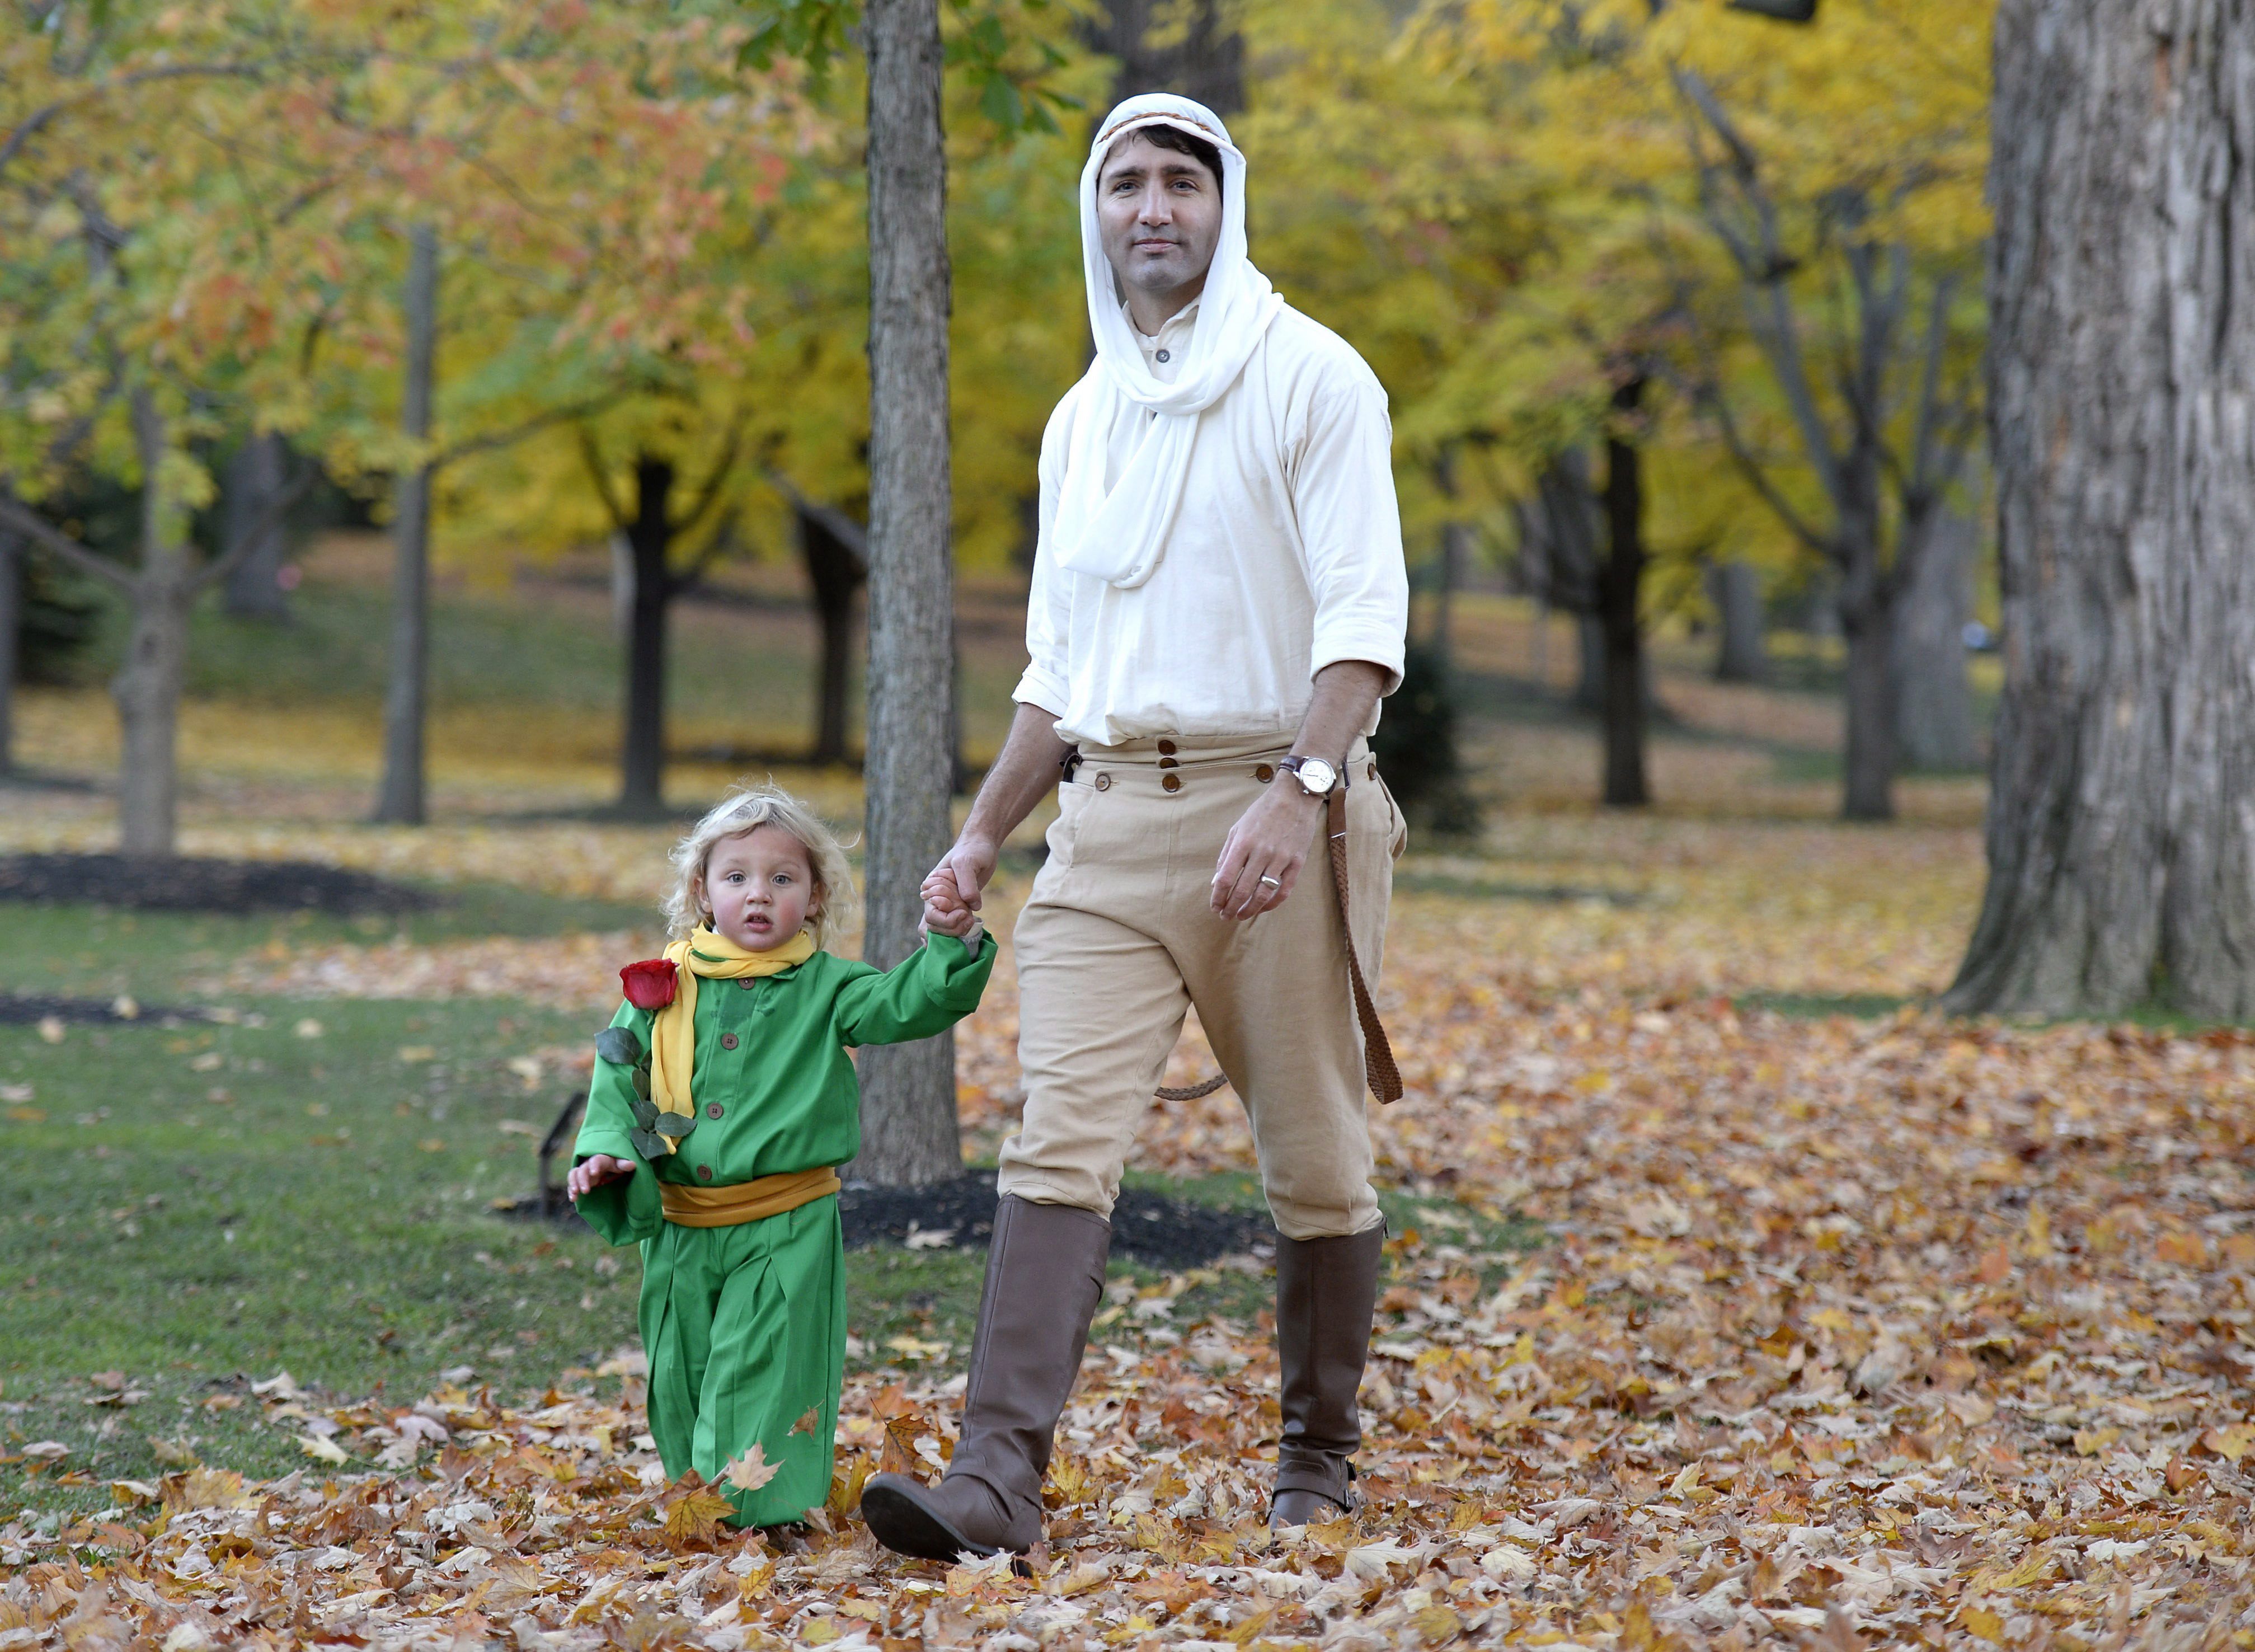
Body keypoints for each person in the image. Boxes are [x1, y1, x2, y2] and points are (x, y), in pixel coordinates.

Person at [861, 92, 1409, 1561]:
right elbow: (1061, 667)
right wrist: (982, 834)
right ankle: (995, 1481)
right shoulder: (1084, 415)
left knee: (1312, 1159)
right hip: (1102, 830)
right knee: (1057, 1140)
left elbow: (1361, 624)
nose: (1150, 209)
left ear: (1224, 203)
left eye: (1178, 182)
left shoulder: (1312, 380)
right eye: (1123, 186)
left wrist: (1299, 797)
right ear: (1093, 216)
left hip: (1272, 815)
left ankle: (1315, 1460)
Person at [569, 785, 995, 1530]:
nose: (757, 895)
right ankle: (697, 1506)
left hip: (782, 1224)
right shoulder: (659, 990)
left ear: (815, 895)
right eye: (736, 878)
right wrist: (606, 1155)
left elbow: (908, 1004)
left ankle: (760, 1520)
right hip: (680, 1225)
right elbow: (618, 1078)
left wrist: (949, 943)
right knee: (684, 1372)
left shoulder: (831, 989)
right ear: (702, 891)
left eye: (781, 878)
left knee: (762, 1369)